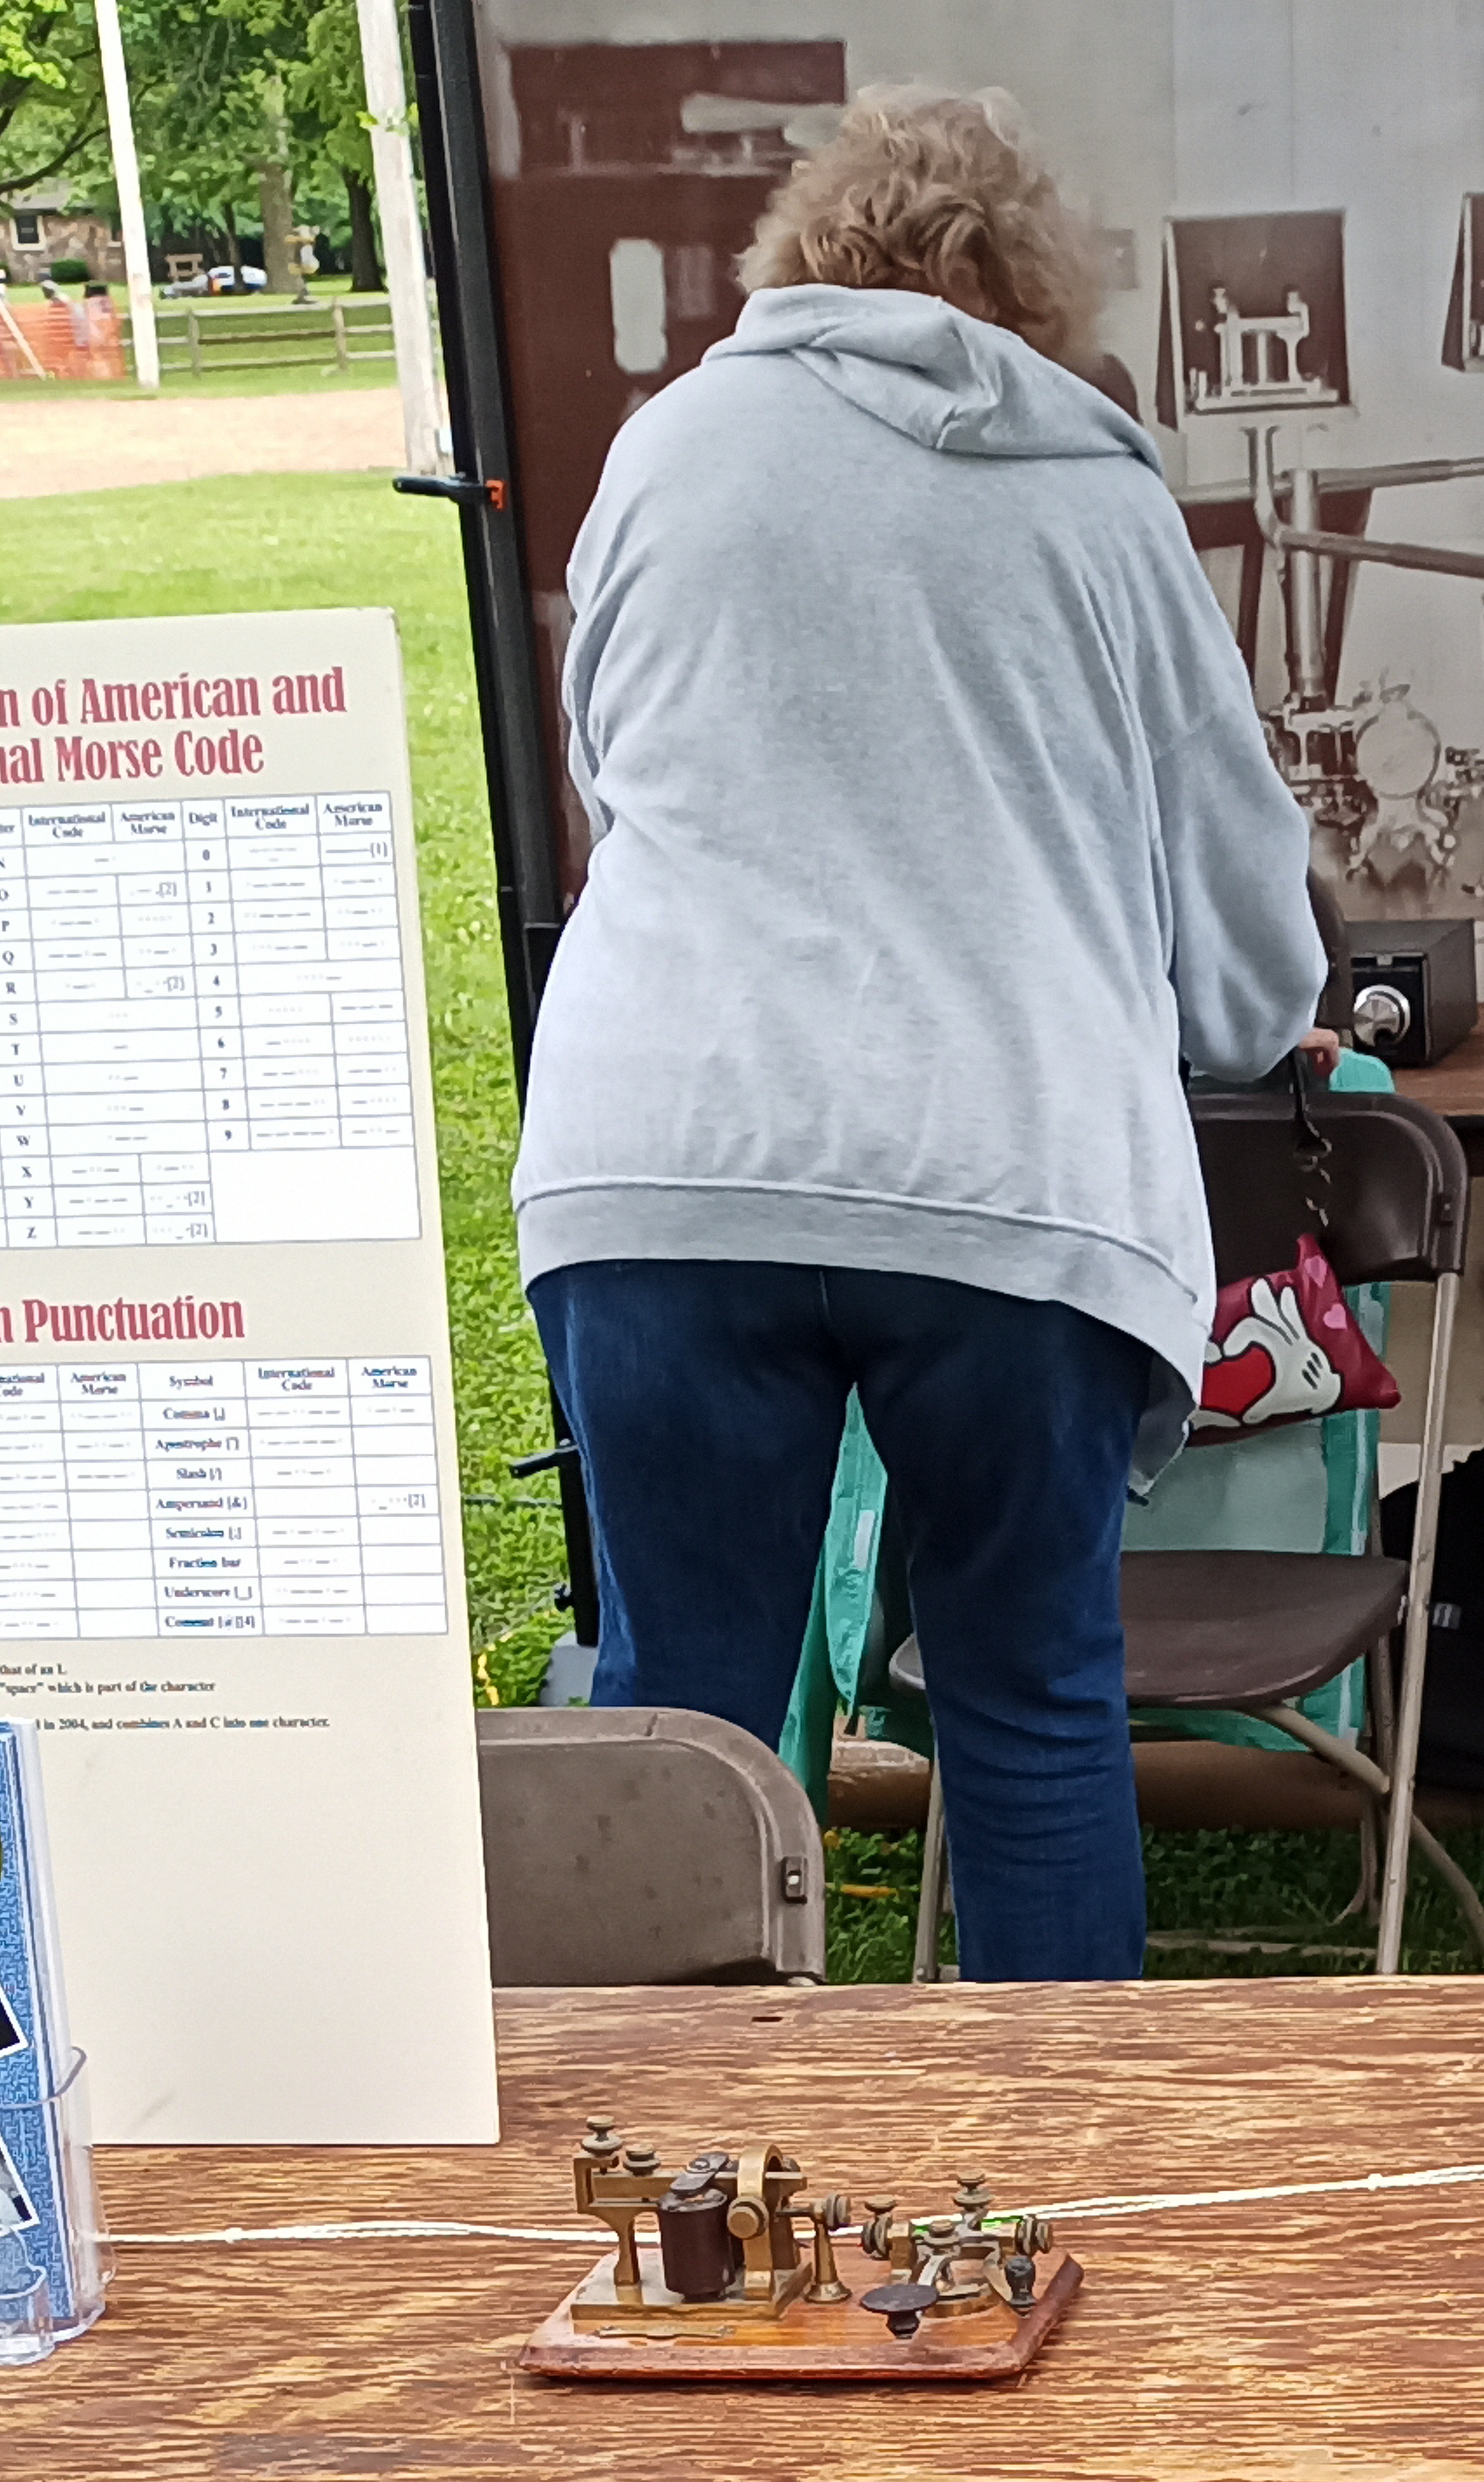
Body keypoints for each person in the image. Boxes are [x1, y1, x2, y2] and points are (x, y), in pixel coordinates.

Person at [511, 85, 1323, 1983]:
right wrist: (1230, 1001)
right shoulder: (1099, 502)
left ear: (794, 254)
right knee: (1031, 1702)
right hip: (1005, 1171)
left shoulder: (670, 449)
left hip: (666, 1158)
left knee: (683, 1731)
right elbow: (1245, 942)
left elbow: (610, 768)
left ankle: (688, 2223)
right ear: (1037, 293)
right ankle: (1058, 2185)